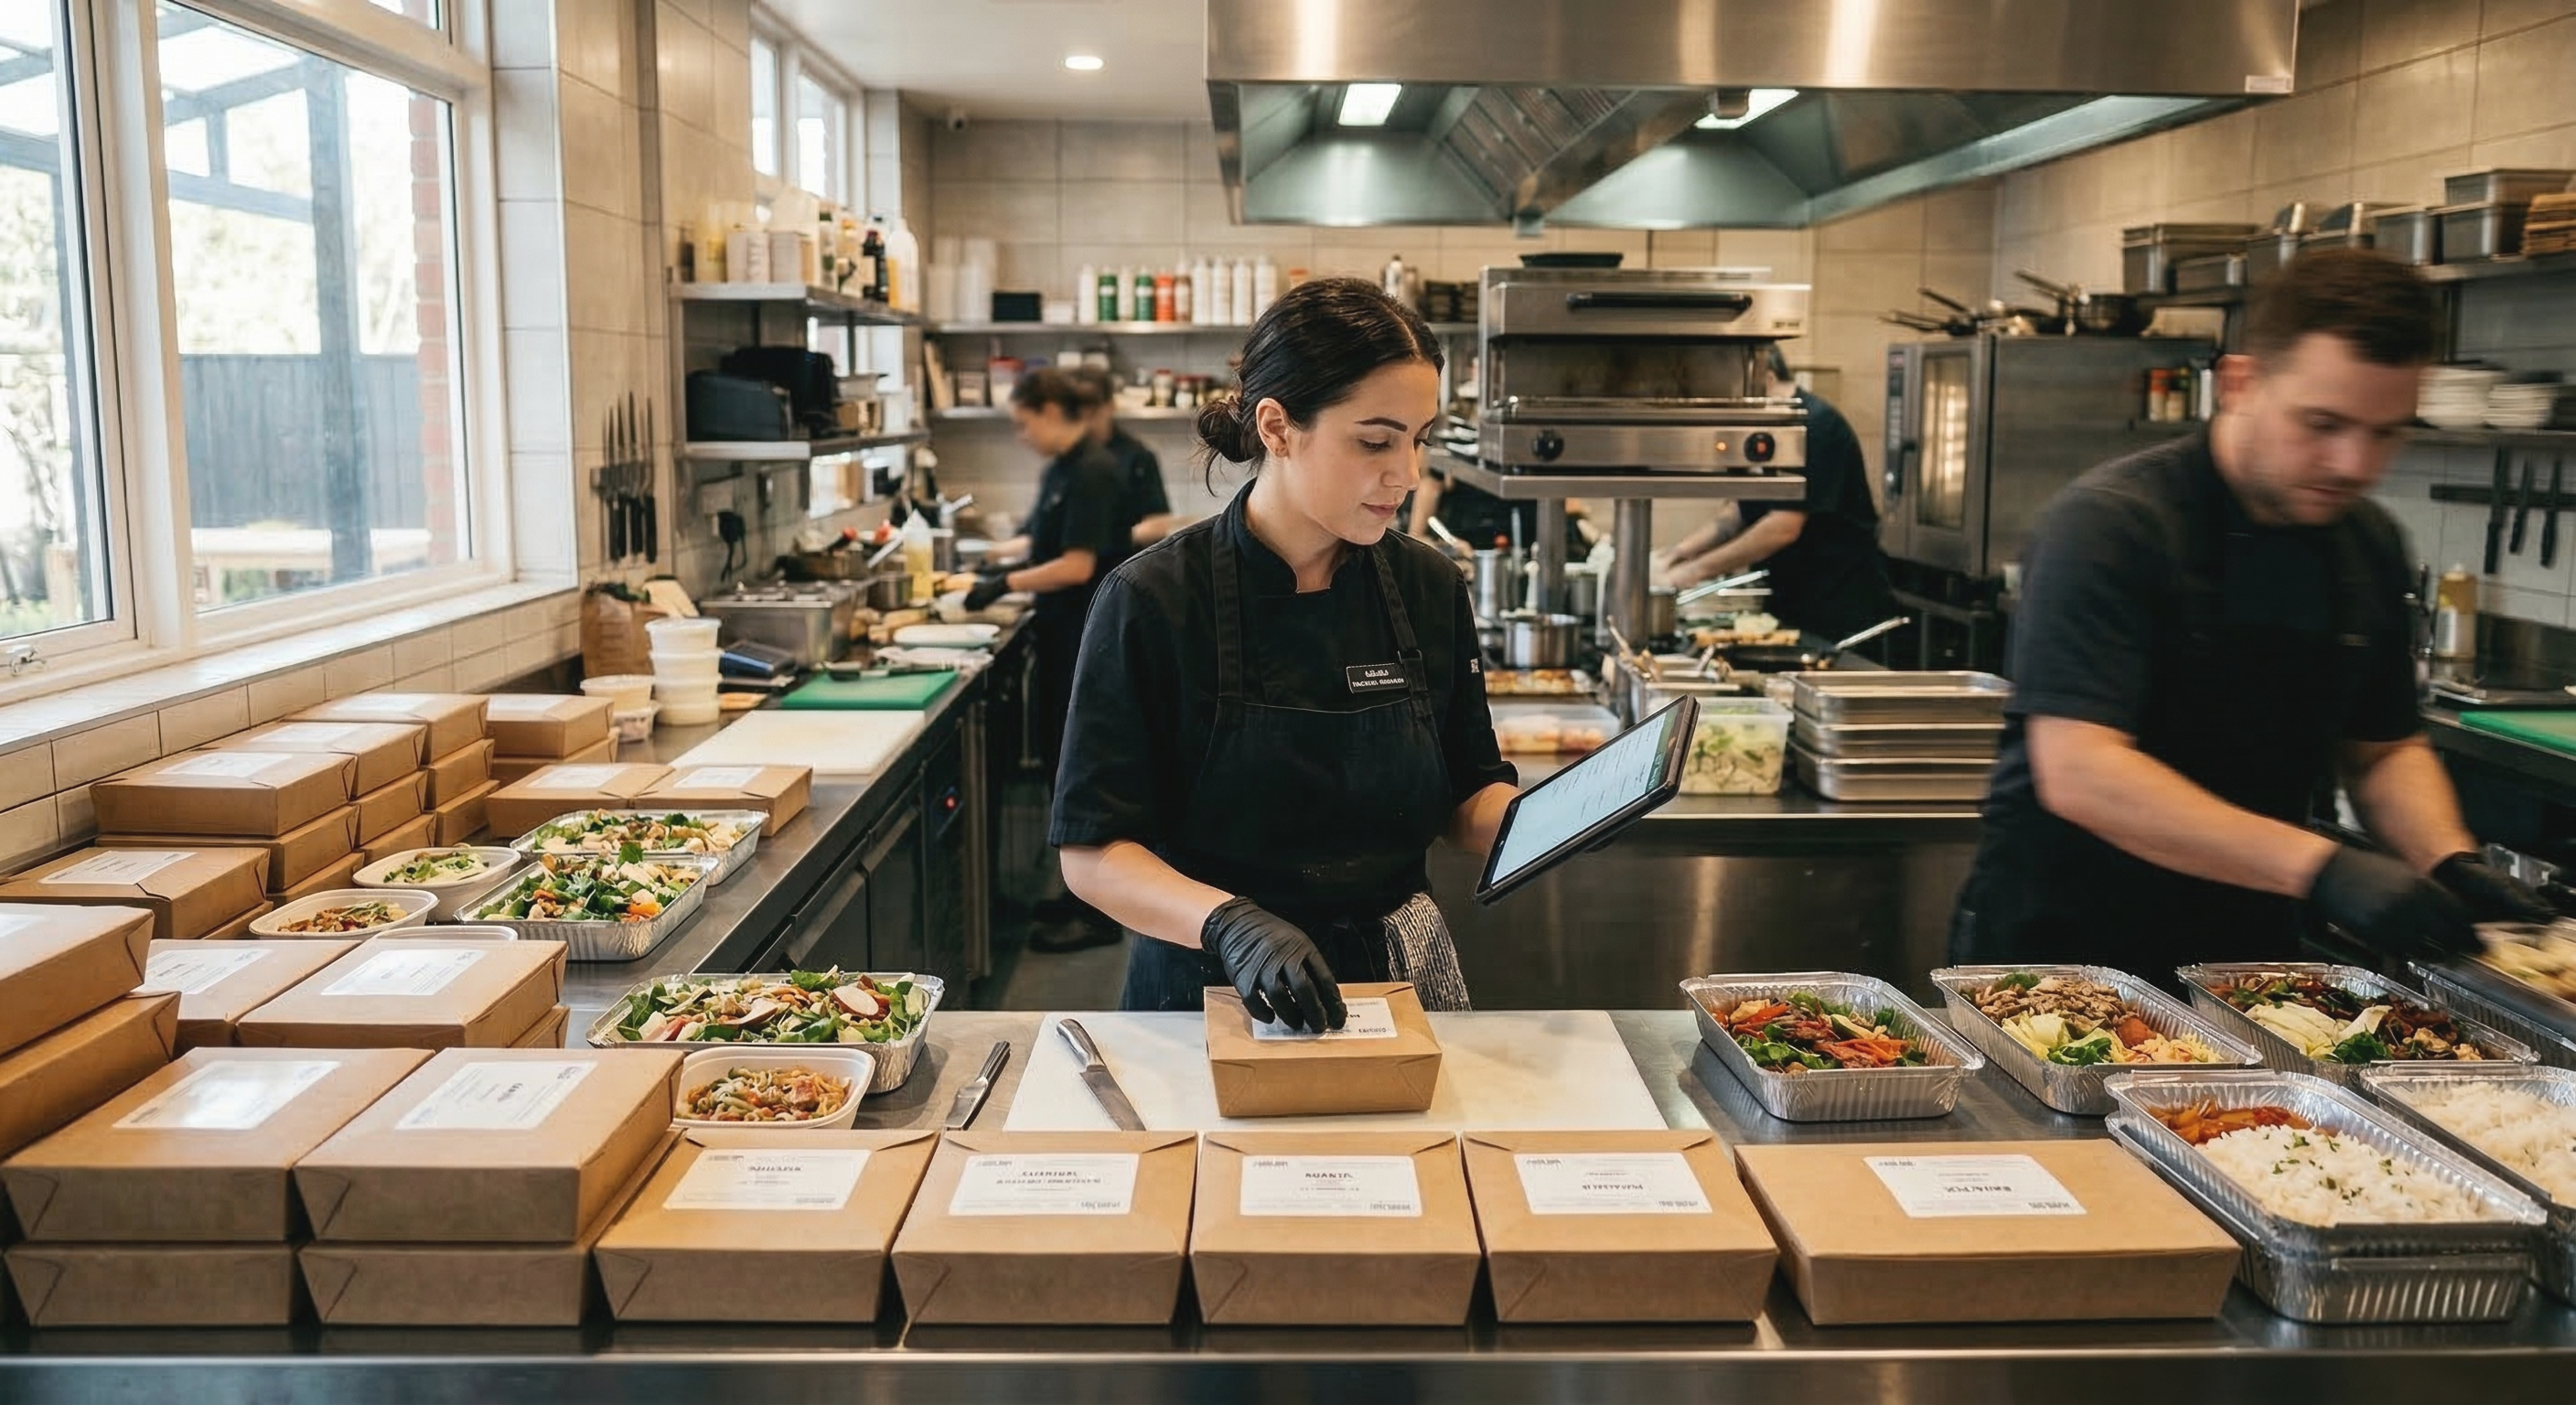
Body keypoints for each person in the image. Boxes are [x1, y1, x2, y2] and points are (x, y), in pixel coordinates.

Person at [1951, 249, 2552, 980]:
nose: (2355, 465)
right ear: (2239, 383)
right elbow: (2083, 771)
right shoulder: (2114, 525)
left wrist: (2448, 860)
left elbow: (2383, 747)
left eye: (2386, 432)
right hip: (2064, 953)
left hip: (2247, 952)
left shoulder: (2366, 543)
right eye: (2323, 424)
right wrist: (2325, 867)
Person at [1049, 277, 1519, 1031]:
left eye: (1418, 439)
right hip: (1204, 992)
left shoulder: (1427, 585)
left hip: (1389, 990)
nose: (1406, 475)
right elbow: (1094, 852)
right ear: (1275, 426)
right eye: (1374, 441)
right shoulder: (1153, 600)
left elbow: (1467, 799)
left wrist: (1562, 818)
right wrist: (1229, 922)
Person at [959, 369, 1137, 952]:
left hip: (1089, 637)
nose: (1021, 436)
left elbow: (1078, 565)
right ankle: (1076, 897)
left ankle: (1100, 916)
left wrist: (999, 581)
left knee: (1085, 773)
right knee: (1068, 767)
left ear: (1053, 409)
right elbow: (1043, 543)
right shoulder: (1065, 468)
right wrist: (990, 564)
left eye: (1024, 422)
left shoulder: (1094, 471)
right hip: (1061, 635)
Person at [1654, 346, 1895, 640]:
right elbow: (1738, 513)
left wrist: (1692, 573)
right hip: (1790, 600)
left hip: (1838, 609)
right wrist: (1675, 556)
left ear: (1765, 379)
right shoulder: (1763, 429)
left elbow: (1783, 528)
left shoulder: (1816, 426)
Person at [1068, 366, 1188, 548]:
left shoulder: (1137, 458)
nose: (1085, 424)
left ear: (1110, 406)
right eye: (1077, 417)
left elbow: (1158, 524)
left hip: (1120, 565)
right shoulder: (1068, 459)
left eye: (1092, 414)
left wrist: (1106, 541)